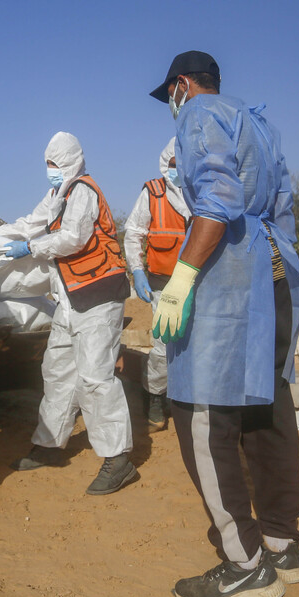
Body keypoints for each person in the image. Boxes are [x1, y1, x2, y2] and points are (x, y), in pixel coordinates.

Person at [148, 51, 299, 597]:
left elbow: (216, 201)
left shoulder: (200, 113)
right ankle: (284, 543)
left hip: (230, 282)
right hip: (275, 275)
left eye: (169, 93)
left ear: (183, 85)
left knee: (201, 412)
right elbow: (283, 207)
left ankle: (246, 566)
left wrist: (183, 277)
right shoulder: (260, 124)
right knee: (267, 405)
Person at [0, 131, 138, 496]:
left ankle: (118, 459)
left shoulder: (83, 192)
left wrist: (29, 248)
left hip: (99, 295)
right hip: (71, 298)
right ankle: (49, 444)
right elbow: (32, 222)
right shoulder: (58, 194)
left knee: (95, 377)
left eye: (55, 164)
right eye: (47, 164)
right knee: (57, 369)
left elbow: (73, 237)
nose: (51, 171)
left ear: (71, 162)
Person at [123, 137, 190, 433]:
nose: (177, 170)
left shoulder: (202, 191)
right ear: (165, 163)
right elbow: (134, 233)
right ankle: (153, 397)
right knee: (164, 344)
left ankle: (189, 400)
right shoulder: (152, 193)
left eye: (182, 165)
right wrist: (137, 271)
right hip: (163, 283)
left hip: (198, 282)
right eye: (172, 165)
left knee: (196, 343)